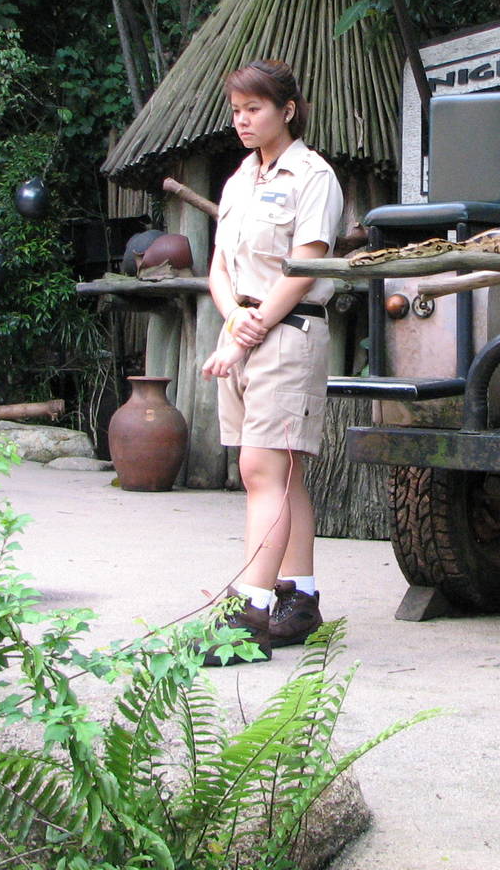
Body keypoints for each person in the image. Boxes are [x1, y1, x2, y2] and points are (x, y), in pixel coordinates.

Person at [199, 58, 344, 665]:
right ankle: (300, 599)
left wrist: (248, 329)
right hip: (247, 331)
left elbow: (306, 265)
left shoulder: (315, 176)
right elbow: (219, 268)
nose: (242, 120)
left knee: (263, 470)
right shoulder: (238, 180)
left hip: (289, 332)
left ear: (287, 110)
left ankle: (250, 608)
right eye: (236, 110)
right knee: (282, 475)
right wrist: (234, 318)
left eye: (253, 108)